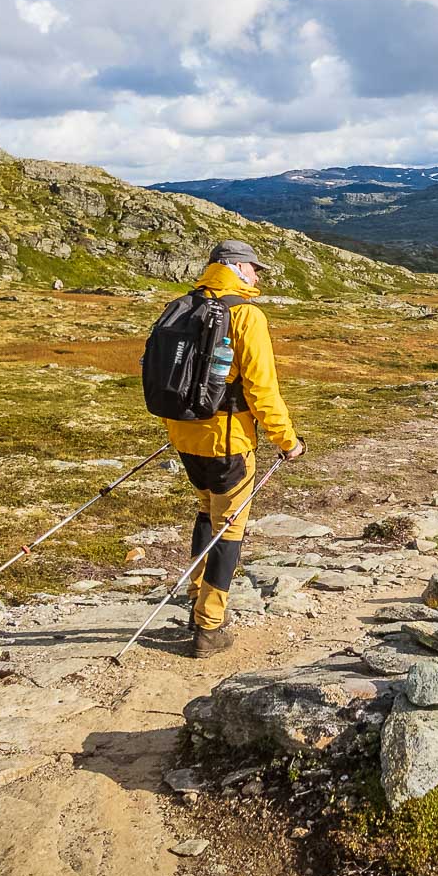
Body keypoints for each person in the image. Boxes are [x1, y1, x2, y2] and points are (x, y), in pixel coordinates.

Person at [160, 240, 305, 656]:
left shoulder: (183, 306)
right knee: (230, 529)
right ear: (237, 267)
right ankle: (209, 626)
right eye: (254, 269)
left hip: (185, 435)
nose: (257, 276)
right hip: (229, 441)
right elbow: (261, 390)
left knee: (207, 512)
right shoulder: (245, 315)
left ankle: (195, 598)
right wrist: (288, 441)